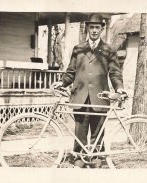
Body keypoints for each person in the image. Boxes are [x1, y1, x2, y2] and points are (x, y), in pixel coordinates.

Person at [52, 13, 125, 168]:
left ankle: (96, 158)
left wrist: (119, 88)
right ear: (87, 28)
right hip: (80, 95)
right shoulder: (78, 49)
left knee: (98, 130)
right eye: (91, 27)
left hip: (100, 96)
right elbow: (71, 72)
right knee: (80, 129)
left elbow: (115, 72)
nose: (94, 30)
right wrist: (62, 83)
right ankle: (78, 157)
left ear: (102, 29)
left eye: (97, 27)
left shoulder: (108, 50)